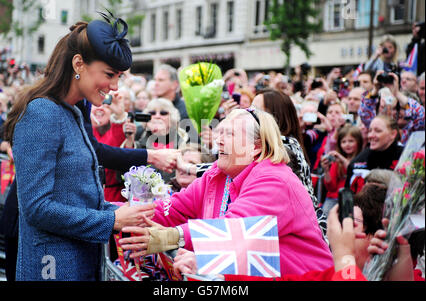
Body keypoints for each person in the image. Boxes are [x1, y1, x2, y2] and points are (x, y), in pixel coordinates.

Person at [1, 17, 164, 281]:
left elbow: (76, 198)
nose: (114, 87)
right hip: (51, 267)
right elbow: (37, 208)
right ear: (78, 64)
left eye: (119, 77)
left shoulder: (74, 110)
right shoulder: (43, 112)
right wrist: (112, 220)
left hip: (80, 260)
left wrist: (120, 213)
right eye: (109, 74)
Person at [119, 108, 333, 276]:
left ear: (256, 147)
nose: (218, 140)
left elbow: (233, 231)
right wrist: (112, 215)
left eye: (228, 134)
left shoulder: (274, 179)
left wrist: (172, 236)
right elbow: (171, 209)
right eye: (219, 132)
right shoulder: (218, 174)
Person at [173, 171, 394, 281]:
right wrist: (211, 266)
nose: (341, 230)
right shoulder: (328, 273)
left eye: (352, 224)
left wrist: (344, 254)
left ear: (376, 235)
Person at [252, 89, 328, 242]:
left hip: (301, 232)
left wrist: (192, 169)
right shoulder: (284, 142)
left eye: (256, 111)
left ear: (274, 117)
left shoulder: (283, 146)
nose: (249, 115)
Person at [346, 115, 404, 193]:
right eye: (370, 131)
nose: (371, 135)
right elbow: (348, 194)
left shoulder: (404, 156)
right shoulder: (361, 159)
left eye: (378, 131)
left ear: (393, 134)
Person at [136, 98, 188, 182]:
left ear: (172, 117)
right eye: (152, 113)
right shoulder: (138, 135)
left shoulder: (185, 139)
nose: (157, 116)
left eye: (163, 113)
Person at [321, 125, 364, 217]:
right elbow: (331, 187)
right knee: (325, 219)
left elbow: (353, 170)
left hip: (354, 198)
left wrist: (342, 159)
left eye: (351, 141)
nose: (347, 144)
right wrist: (326, 170)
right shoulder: (337, 162)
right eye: (343, 142)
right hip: (334, 198)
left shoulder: (361, 160)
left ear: (359, 142)